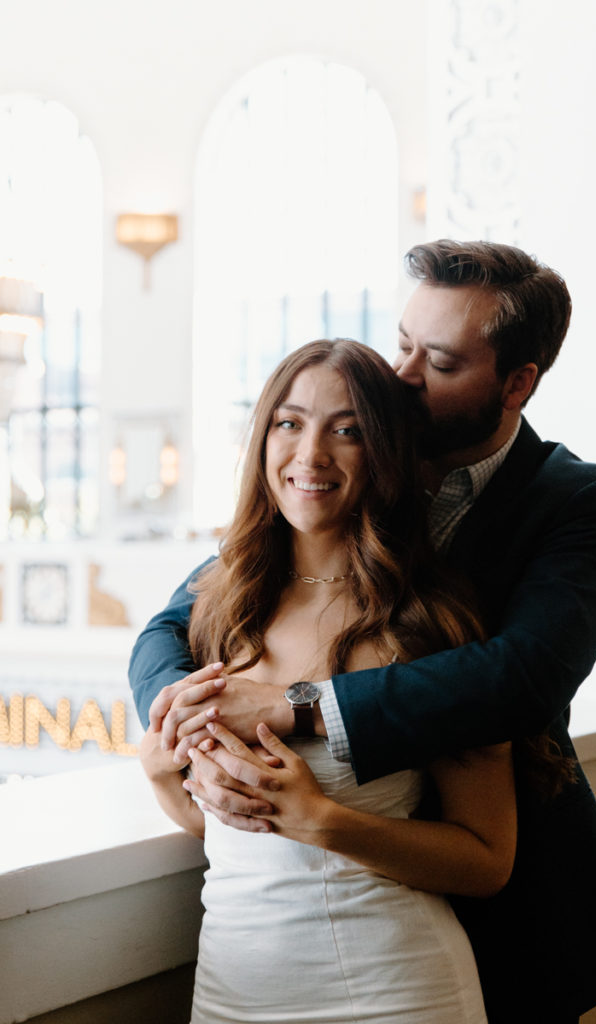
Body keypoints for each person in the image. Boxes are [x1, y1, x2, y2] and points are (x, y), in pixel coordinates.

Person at [130, 241, 596, 1022]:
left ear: (516, 383)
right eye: (402, 343)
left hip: (483, 924)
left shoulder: (573, 503)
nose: (402, 376)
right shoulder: (309, 503)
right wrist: (178, 723)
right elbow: (170, 628)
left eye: (437, 363)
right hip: (247, 971)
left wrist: (294, 709)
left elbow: (522, 675)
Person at [141, 338, 525, 1023]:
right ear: (262, 438)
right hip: (230, 992)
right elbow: (223, 831)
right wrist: (161, 770)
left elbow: (486, 859)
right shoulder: (217, 604)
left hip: (391, 990)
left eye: (345, 430)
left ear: (382, 451)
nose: (310, 454)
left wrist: (323, 822)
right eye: (289, 423)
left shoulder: (426, 620)